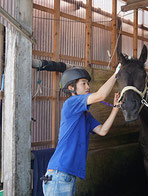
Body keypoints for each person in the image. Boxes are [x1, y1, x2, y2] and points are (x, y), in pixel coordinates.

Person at [42, 65, 121, 196]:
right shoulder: (71, 103)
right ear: (71, 88)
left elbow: (102, 130)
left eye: (88, 83)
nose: (88, 87)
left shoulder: (84, 115)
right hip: (59, 175)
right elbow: (101, 95)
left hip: (66, 176)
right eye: (83, 83)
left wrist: (115, 108)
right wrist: (117, 73)